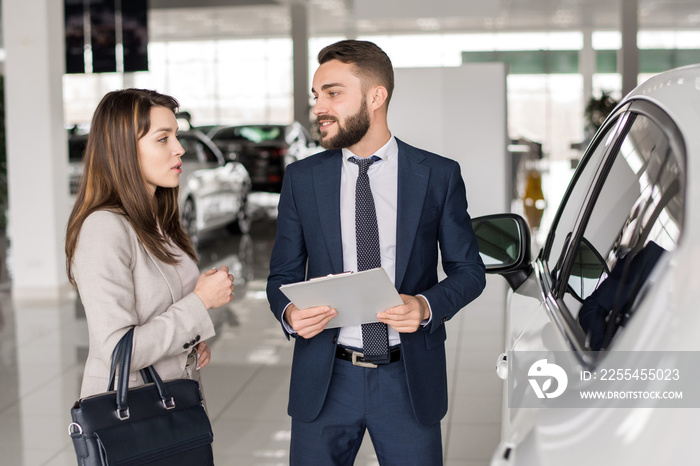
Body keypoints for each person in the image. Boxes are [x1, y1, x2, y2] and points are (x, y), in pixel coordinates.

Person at [266, 40, 486, 465]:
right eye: (317, 96)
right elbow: (280, 278)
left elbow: (468, 271)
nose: (319, 107)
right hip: (325, 378)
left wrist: (424, 305)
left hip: (407, 379)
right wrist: (290, 315)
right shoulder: (301, 179)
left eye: (333, 93)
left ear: (376, 96)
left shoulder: (437, 175)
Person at [65, 88, 234, 398]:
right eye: (163, 139)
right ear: (124, 150)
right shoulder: (104, 228)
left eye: (176, 136)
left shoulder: (157, 218)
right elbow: (118, 352)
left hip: (175, 401)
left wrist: (192, 344)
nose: (180, 149)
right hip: (134, 418)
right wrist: (200, 303)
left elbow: (161, 312)